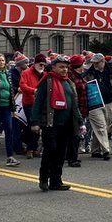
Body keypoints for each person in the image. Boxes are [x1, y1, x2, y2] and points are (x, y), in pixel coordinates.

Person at [30, 55, 84, 191]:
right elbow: (38, 102)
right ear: (53, 67)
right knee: (50, 151)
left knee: (61, 153)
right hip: (50, 123)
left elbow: (74, 106)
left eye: (66, 67)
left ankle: (56, 181)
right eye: (61, 67)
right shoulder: (46, 81)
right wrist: (35, 122)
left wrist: (80, 122)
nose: (64, 69)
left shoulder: (69, 83)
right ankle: (43, 179)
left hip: (66, 125)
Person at [85, 53, 112, 160]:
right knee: (101, 126)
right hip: (95, 103)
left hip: (109, 102)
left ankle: (95, 150)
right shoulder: (89, 73)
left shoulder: (111, 72)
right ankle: (106, 150)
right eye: (94, 63)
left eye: (97, 63)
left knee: (104, 126)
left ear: (103, 62)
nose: (95, 65)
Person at [0, 54, 20, 167]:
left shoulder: (7, 74)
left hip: (7, 106)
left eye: (3, 60)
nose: (2, 62)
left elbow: (11, 91)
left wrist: (13, 108)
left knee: (9, 131)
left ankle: (10, 156)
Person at [18, 53, 47, 159]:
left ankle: (32, 148)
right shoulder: (26, 72)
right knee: (34, 125)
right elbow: (22, 85)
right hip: (29, 103)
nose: (42, 66)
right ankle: (31, 149)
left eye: (44, 65)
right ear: (35, 64)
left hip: (41, 104)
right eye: (40, 64)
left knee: (35, 126)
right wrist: (33, 91)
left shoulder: (44, 74)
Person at [65, 55, 89, 167]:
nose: (84, 66)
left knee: (75, 134)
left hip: (82, 108)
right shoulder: (71, 77)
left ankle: (70, 156)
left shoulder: (80, 76)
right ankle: (72, 158)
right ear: (78, 65)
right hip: (75, 109)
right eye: (82, 63)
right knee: (74, 135)